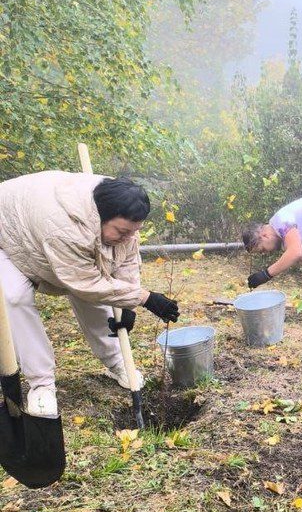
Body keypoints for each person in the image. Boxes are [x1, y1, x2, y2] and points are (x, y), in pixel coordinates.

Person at [0, 171, 180, 417]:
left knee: (99, 291)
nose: (129, 236)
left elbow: (125, 259)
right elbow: (85, 283)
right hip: (7, 238)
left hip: (41, 236)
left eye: (133, 231)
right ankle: (41, 384)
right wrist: (144, 297)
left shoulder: (122, 204)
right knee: (14, 297)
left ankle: (117, 362)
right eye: (122, 231)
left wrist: (127, 305)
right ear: (100, 217)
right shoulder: (64, 227)